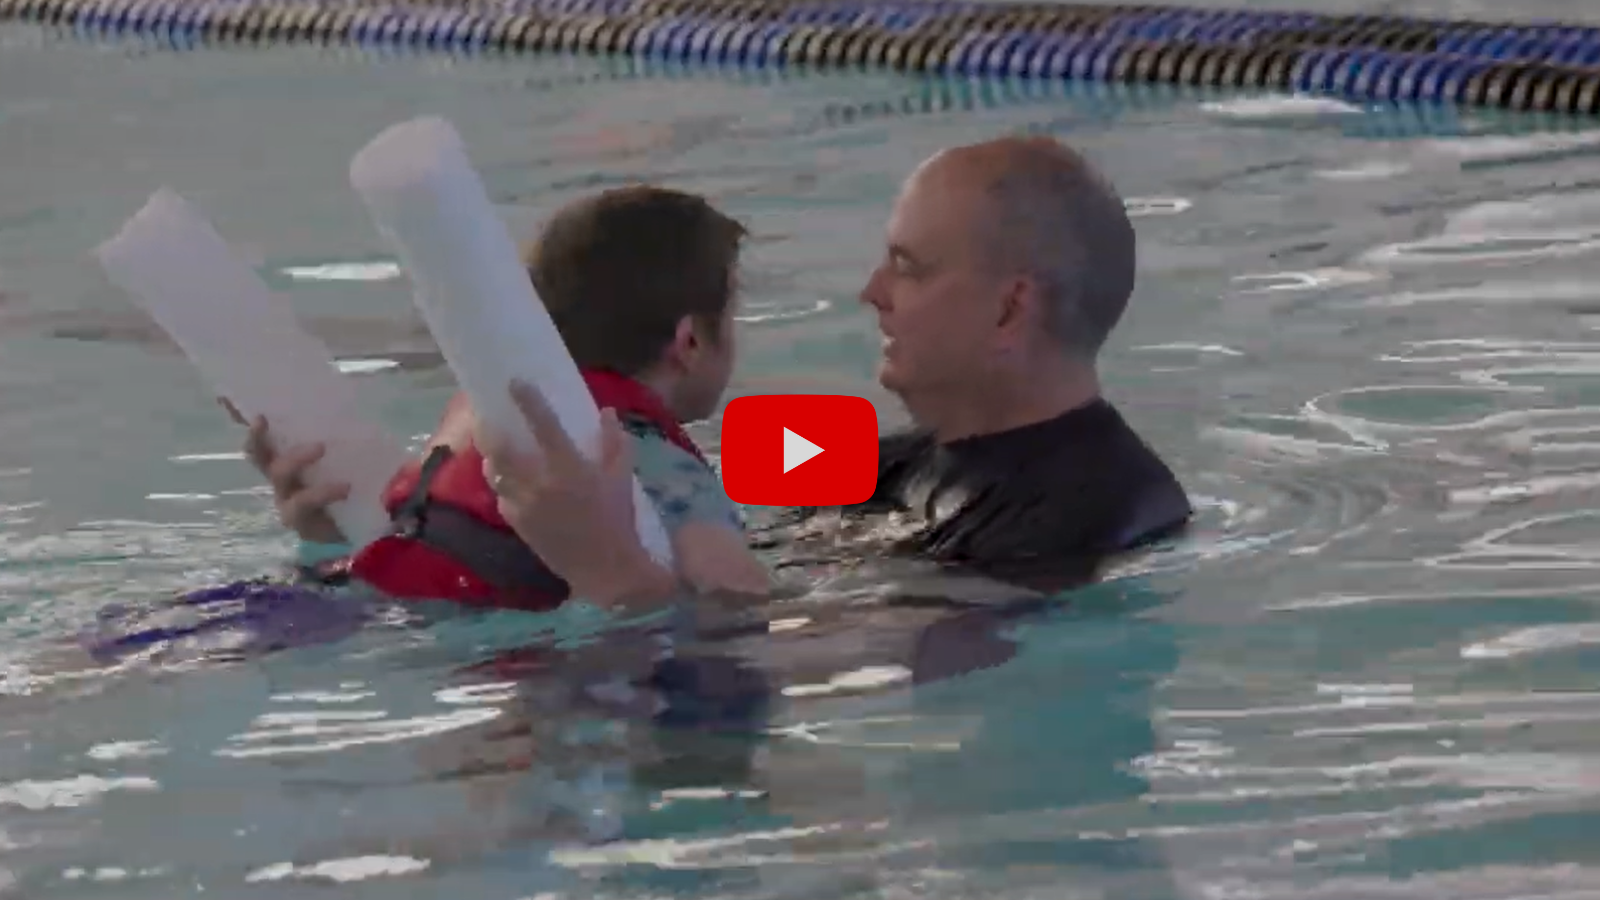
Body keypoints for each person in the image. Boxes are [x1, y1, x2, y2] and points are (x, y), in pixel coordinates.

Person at [477, 135, 1194, 607]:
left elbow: (786, 681)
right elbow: (682, 490)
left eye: (908, 269)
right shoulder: (878, 458)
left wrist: (609, 573)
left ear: (1010, 310)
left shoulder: (1095, 516)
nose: (871, 293)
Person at [229, 184, 770, 611]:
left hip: (338, 609)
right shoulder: (648, 466)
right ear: (691, 341)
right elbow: (736, 622)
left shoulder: (483, 428)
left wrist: (325, 536)